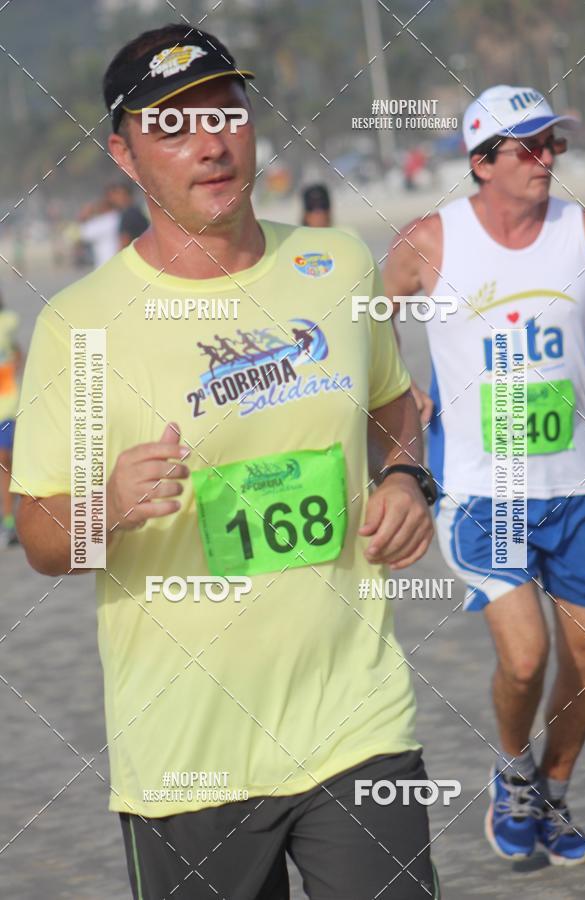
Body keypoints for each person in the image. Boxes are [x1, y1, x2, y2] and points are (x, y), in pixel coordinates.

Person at [12, 24, 440, 900]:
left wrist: (406, 478)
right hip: (188, 757)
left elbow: (394, 406)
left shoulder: (334, 265)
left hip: (357, 722)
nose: (209, 142)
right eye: (172, 126)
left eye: (225, 113)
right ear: (125, 154)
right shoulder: (80, 327)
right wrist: (109, 504)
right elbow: (42, 538)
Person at [384, 84, 585, 867]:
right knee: (526, 656)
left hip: (580, 487)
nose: (547, 158)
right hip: (485, 492)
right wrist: (398, 390)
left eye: (553, 144)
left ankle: (554, 791)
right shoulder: (430, 242)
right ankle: (513, 776)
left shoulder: (584, 232)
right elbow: (369, 316)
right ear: (482, 161)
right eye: (529, 146)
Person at [0, 290, 21, 547]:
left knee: (4, 459)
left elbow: (17, 352)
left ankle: (8, 521)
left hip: (6, 404)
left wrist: (13, 367)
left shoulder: (7, 321)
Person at [78, 194, 120, 268]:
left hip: (107, 263)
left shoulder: (106, 220)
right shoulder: (116, 217)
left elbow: (83, 234)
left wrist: (84, 216)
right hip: (113, 261)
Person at [106, 181, 149, 248]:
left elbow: (124, 242)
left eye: (116, 194)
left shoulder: (128, 215)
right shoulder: (135, 211)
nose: (112, 199)